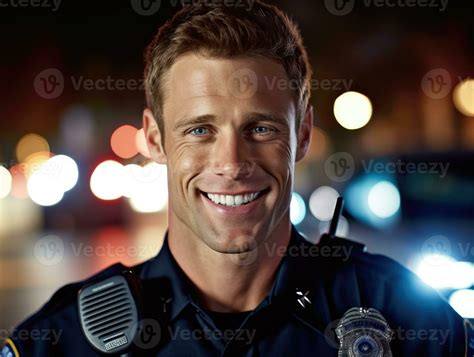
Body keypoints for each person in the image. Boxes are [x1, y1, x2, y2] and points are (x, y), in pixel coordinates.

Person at [2, 1, 472, 356]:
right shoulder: (63, 341)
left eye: (260, 128)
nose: (231, 162)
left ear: (303, 134)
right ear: (155, 138)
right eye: (200, 130)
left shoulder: (408, 322)